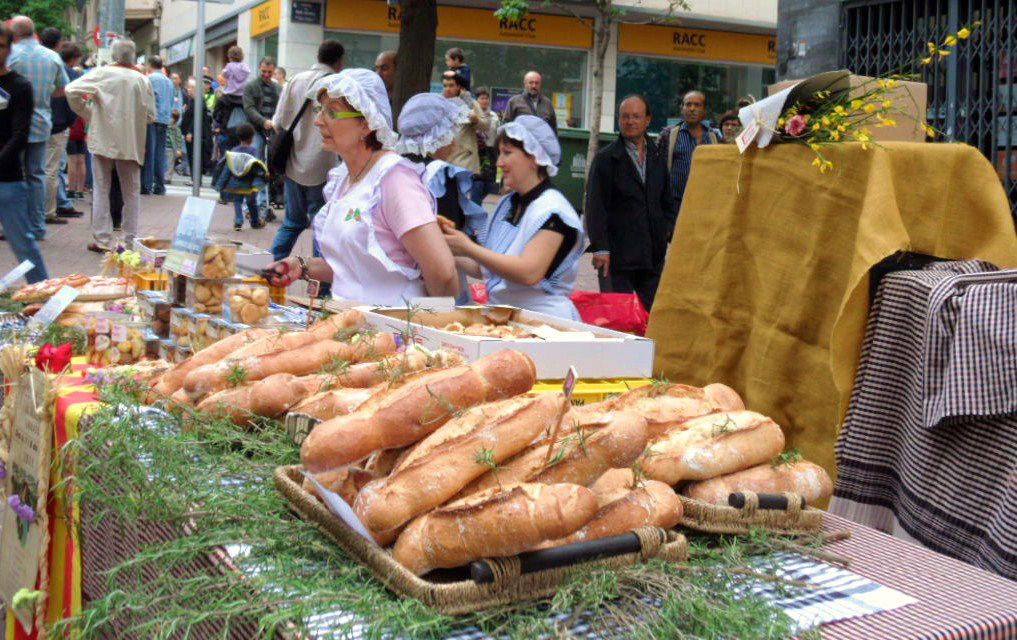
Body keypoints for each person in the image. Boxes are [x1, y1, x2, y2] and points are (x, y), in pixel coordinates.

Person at [263, 68, 458, 304]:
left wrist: (425, 328)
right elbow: (355, 269)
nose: (318, 121)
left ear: (366, 124)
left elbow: (444, 274)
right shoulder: (343, 177)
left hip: (390, 328)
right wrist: (301, 266)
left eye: (332, 113)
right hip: (352, 325)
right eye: (319, 109)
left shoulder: (395, 180)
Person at [441, 115, 585, 319]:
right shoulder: (507, 204)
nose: (499, 162)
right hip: (506, 318)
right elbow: (486, 267)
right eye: (499, 153)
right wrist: (444, 245)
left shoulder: (553, 209)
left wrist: (468, 247)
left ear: (534, 157)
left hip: (545, 323)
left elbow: (529, 272)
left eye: (507, 153)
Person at [396, 92, 489, 303]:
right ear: (435, 137)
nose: (453, 143)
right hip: (438, 282)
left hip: (400, 280)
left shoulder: (394, 169)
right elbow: (450, 230)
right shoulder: (440, 174)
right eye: (449, 134)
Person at [584, 95, 674, 311]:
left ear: (647, 120)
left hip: (651, 256)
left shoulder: (657, 156)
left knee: (653, 318)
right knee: (619, 320)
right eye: (625, 117)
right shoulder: (606, 159)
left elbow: (666, 201)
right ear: (618, 120)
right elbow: (595, 208)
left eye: (636, 116)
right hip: (616, 257)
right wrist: (601, 248)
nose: (630, 121)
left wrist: (665, 231)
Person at [65, 38, 155, 253]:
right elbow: (151, 115)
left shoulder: (101, 74)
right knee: (131, 191)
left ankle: (102, 239)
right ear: (133, 56)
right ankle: (129, 240)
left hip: (103, 137)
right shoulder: (142, 80)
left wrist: (89, 114)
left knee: (101, 188)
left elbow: (71, 90)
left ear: (114, 55)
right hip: (131, 142)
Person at [269, 40, 343, 261]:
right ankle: (321, 288)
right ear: (340, 61)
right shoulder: (337, 84)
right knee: (322, 226)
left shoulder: (295, 80)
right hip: (323, 165)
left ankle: (270, 269)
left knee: (292, 222)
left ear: (318, 56)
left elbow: (278, 121)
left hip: (293, 162)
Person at [8, 16, 69, 240]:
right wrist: (43, 96)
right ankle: (37, 226)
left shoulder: (9, 56)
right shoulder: (52, 57)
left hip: (11, 125)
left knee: (11, 175)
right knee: (36, 175)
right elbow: (63, 89)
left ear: (14, 34)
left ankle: (10, 226)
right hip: (41, 122)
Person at [0, 23, 49, 283]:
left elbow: (20, 135)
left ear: (10, 49)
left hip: (7, 180)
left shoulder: (20, 86)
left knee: (24, 245)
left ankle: (43, 298)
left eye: (1, 46)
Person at [657, 90, 721, 218]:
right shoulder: (669, 135)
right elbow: (658, 171)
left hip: (705, 206)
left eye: (697, 105)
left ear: (704, 110)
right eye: (688, 104)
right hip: (674, 206)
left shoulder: (714, 137)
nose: (692, 109)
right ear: (682, 108)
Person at [42, 30, 83, 220]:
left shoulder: (35, 61)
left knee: (33, 169)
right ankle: (49, 211)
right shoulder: (62, 68)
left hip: (33, 123)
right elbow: (73, 98)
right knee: (52, 169)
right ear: (58, 44)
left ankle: (36, 210)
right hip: (57, 125)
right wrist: (69, 121)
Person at [243, 57, 280, 221]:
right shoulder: (251, 86)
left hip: (272, 131)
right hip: (257, 131)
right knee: (257, 166)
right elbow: (249, 108)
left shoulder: (278, 88)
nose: (266, 75)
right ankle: (254, 205)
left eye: (269, 72)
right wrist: (263, 122)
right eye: (264, 71)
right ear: (259, 68)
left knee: (267, 169)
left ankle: (263, 205)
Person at [213, 122, 268, 230]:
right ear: (252, 138)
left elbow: (227, 168)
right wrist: (264, 175)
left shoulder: (234, 151)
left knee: (237, 202)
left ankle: (238, 220)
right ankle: (255, 221)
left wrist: (221, 184)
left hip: (235, 183)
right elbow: (257, 167)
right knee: (251, 202)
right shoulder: (253, 151)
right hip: (249, 183)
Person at [440, 70, 488, 177]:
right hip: (443, 156)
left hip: (464, 157)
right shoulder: (439, 103)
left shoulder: (471, 103)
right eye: (445, 85)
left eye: (451, 85)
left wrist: (475, 119)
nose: (447, 88)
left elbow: (485, 126)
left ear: (459, 87)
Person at [142, 55, 174, 195]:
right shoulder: (169, 81)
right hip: (165, 119)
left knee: (149, 152)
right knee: (160, 153)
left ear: (150, 65)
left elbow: (146, 99)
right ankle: (160, 186)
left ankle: (146, 185)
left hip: (152, 119)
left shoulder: (150, 79)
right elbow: (171, 101)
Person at [471, 86, 499, 205]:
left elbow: (495, 134)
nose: (485, 101)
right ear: (476, 100)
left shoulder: (494, 116)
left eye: (486, 98)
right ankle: (474, 213)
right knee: (477, 185)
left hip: (490, 152)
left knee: (489, 185)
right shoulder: (472, 115)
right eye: (482, 98)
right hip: (476, 154)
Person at [181, 77, 213, 176]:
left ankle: (196, 179)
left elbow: (196, 118)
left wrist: (190, 132)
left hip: (196, 135)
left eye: (190, 87)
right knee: (191, 156)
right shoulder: (192, 101)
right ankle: (194, 178)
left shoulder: (199, 101)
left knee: (195, 156)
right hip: (191, 134)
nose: (188, 89)